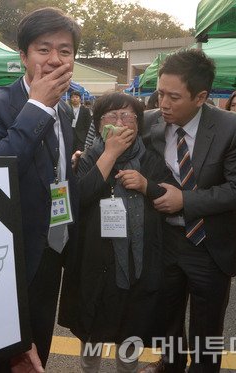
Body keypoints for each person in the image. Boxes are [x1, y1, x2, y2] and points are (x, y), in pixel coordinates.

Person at [0, 7, 80, 368]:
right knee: (5, 351)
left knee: (40, 344)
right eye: (43, 49)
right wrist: (37, 106)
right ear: (23, 56)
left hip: (54, 246)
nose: (54, 59)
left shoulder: (65, 111)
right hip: (10, 254)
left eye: (65, 50)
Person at [139, 49, 236, 373]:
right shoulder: (150, 122)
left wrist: (185, 201)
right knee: (166, 316)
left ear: (201, 96)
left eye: (173, 97)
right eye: (160, 93)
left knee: (207, 329)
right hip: (163, 240)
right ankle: (171, 364)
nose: (163, 104)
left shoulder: (232, 128)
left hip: (209, 244)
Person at [59, 92, 173, 373]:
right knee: (91, 334)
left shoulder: (152, 160)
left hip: (137, 264)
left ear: (138, 124)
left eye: (128, 116)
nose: (120, 122)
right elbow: (77, 199)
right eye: (111, 116)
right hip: (96, 266)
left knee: (130, 333)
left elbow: (170, 198)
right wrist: (109, 155)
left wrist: (147, 185)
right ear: (99, 125)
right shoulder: (86, 159)